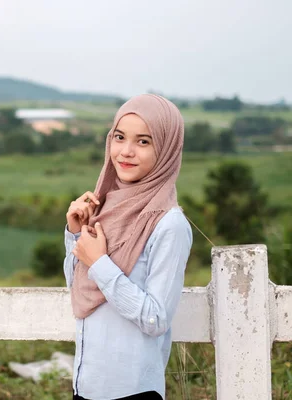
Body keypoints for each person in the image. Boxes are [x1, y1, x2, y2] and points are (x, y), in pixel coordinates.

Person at [63, 94, 192, 400]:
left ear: (167, 149)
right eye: (119, 138)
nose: (126, 152)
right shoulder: (105, 209)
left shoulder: (169, 225)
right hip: (86, 386)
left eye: (144, 142)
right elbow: (78, 288)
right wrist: (74, 233)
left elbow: (156, 319)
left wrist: (100, 264)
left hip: (132, 392)